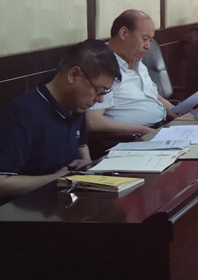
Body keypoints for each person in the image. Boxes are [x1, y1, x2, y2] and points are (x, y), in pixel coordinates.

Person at [0, 39, 121, 201]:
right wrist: (57, 179)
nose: (100, 99)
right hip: (30, 209)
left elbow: (82, 146)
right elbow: (3, 183)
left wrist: (86, 163)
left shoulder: (76, 105)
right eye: (98, 91)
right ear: (74, 75)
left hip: (67, 201)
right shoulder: (23, 113)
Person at [87, 10, 173, 137]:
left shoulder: (137, 61)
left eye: (150, 40)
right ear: (124, 33)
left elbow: (154, 96)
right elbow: (93, 121)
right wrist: (141, 130)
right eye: (145, 39)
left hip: (163, 127)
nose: (148, 46)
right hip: (132, 138)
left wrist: (173, 110)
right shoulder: (102, 64)